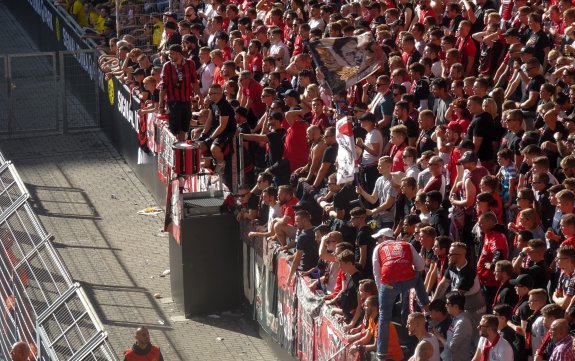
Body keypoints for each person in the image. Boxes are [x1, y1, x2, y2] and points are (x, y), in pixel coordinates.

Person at [372, 232, 429, 359]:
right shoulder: (407, 244)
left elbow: (376, 273)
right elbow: (420, 265)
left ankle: (381, 353)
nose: (376, 242)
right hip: (408, 280)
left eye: (378, 239)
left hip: (389, 283)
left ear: (385, 238)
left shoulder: (378, 248)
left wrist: (381, 292)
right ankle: (426, 305)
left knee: (384, 318)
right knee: (417, 276)